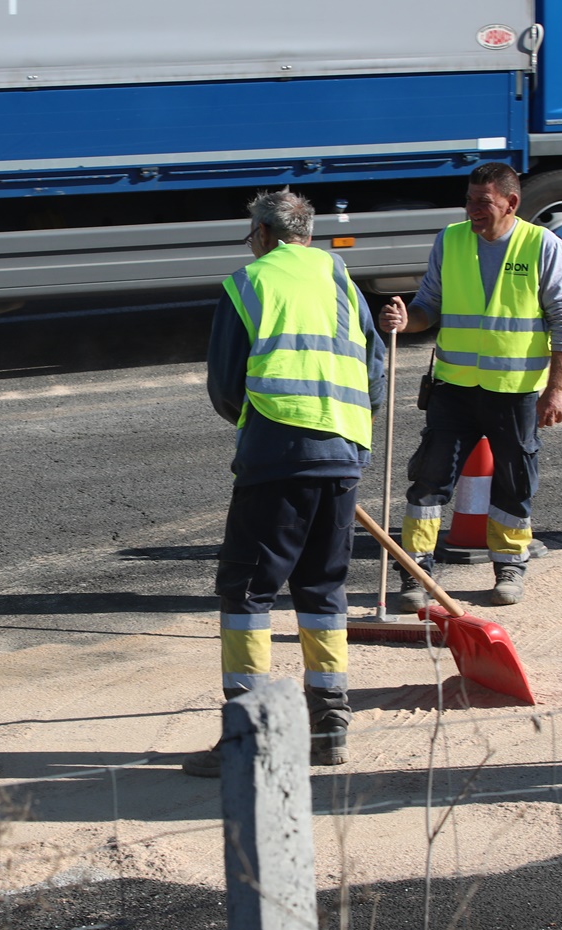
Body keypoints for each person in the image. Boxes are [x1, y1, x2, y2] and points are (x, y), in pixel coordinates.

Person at [182, 190, 386, 777]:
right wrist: (341, 430)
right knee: (323, 589)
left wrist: (260, 425)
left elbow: (226, 385)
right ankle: (330, 726)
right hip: (344, 451)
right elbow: (373, 370)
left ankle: (250, 736)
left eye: (251, 232)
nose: (250, 242)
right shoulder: (340, 277)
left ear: (267, 235)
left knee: (247, 591)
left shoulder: (250, 282)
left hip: (280, 451)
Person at [378, 163, 562, 610]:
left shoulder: (542, 245)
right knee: (429, 480)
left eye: (482, 202)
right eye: (469, 200)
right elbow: (430, 304)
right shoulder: (450, 240)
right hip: (454, 386)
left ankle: (509, 565)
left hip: (514, 389)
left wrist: (556, 388)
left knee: (513, 481)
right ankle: (415, 570)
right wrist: (408, 320)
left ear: (511, 202)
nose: (472, 210)